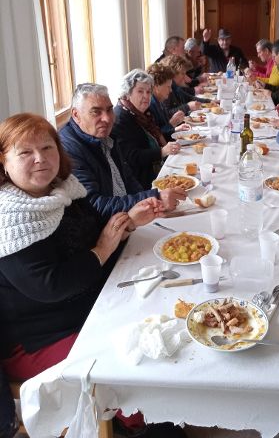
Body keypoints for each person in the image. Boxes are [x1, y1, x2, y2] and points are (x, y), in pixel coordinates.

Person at [0, 113, 185, 438]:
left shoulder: (60, 191)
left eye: (47, 147)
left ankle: (142, 412)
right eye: (25, 152)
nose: (41, 159)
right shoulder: (10, 219)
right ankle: (134, 422)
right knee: (133, 359)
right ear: (4, 162)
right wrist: (102, 249)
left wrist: (128, 221)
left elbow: (90, 225)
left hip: (88, 302)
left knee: (162, 311)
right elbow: (51, 285)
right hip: (39, 336)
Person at [60, 84, 186, 218]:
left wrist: (152, 203)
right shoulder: (68, 149)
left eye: (109, 110)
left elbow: (128, 178)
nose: (107, 119)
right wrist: (154, 197)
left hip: (129, 214)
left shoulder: (104, 135)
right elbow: (94, 205)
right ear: (76, 115)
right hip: (108, 227)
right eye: (96, 112)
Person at [112, 69, 181, 189]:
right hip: (143, 180)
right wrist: (162, 151)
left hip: (157, 167)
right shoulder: (120, 119)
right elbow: (131, 157)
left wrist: (176, 131)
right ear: (127, 93)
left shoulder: (141, 112)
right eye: (140, 91)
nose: (146, 96)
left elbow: (154, 137)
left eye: (148, 92)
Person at [147, 63, 190, 140]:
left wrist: (175, 129)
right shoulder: (150, 105)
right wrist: (172, 124)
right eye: (168, 87)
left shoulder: (158, 101)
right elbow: (156, 137)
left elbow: (162, 129)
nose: (170, 90)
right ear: (156, 86)